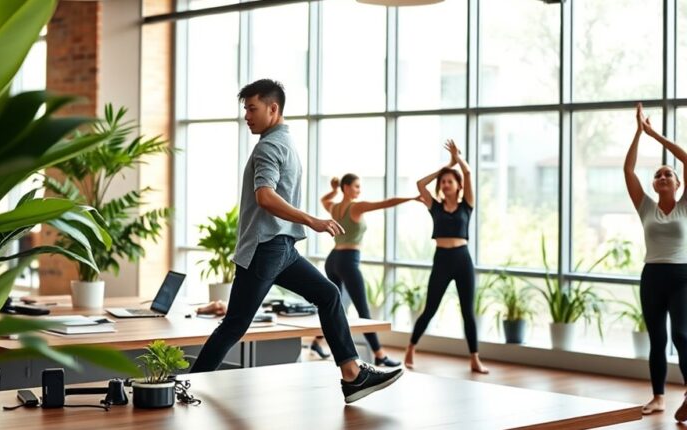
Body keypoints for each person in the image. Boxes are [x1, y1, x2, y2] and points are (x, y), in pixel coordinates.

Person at [189, 79, 402, 403]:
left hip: (277, 246)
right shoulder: (277, 143)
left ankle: (352, 374)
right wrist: (311, 219)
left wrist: (309, 220)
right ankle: (186, 386)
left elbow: (265, 196)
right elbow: (266, 197)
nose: (246, 115)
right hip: (270, 246)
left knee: (328, 295)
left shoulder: (272, 144)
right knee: (235, 323)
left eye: (252, 108)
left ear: (273, 109)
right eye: (245, 108)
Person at [309, 174, 419, 367]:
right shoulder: (356, 207)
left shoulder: (334, 207)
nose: (359, 190)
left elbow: (324, 200)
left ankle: (317, 341)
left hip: (333, 259)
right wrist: (411, 198)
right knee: (363, 310)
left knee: (334, 307)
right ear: (347, 187)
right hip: (348, 261)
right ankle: (379, 354)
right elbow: (386, 203)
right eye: (356, 186)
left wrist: (334, 190)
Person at [403, 139, 489, 374]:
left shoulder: (466, 205)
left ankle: (475, 359)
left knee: (467, 312)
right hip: (441, 259)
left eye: (450, 180)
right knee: (430, 308)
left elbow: (468, 172)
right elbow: (421, 184)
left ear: (458, 186)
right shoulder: (435, 206)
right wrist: (443, 168)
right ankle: (411, 348)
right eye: (443, 182)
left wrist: (456, 160)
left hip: (462, 259)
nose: (446, 183)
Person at [624, 103, 687, 420]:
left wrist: (654, 134)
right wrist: (637, 133)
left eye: (669, 173)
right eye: (658, 174)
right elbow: (628, 171)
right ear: (653, 184)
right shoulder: (645, 207)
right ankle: (659, 398)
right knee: (657, 339)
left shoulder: (685, 206)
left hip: (682, 276)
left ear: (678, 184)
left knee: (682, 334)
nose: (663, 176)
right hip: (652, 276)